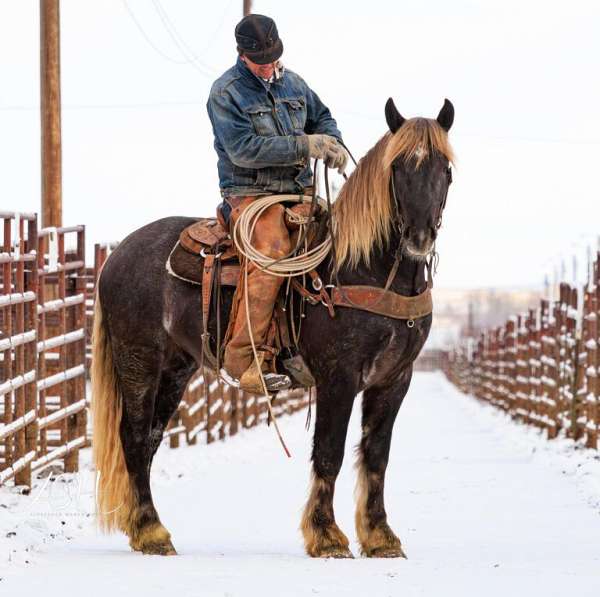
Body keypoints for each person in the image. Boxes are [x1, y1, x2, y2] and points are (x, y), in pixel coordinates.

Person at [207, 13, 347, 393]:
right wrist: (305, 145)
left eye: (273, 57)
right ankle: (242, 359)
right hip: (251, 196)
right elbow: (243, 150)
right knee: (272, 251)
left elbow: (323, 118)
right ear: (243, 55)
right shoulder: (226, 93)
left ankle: (316, 348)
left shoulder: (295, 84)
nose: (269, 66)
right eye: (261, 61)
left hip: (299, 192)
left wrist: (331, 142)